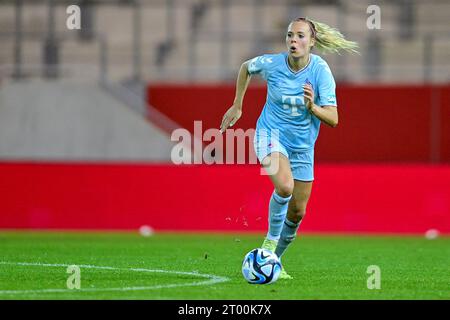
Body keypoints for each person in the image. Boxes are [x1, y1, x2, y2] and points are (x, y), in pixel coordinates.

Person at [220, 17, 358, 279]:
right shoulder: (272, 64)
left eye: (300, 36)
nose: (293, 41)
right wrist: (238, 104)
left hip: (303, 148)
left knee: (297, 212)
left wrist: (313, 108)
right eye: (290, 36)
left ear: (312, 41)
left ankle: (274, 262)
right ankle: (268, 247)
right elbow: (246, 67)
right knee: (284, 186)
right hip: (268, 135)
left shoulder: (320, 71)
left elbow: (334, 119)